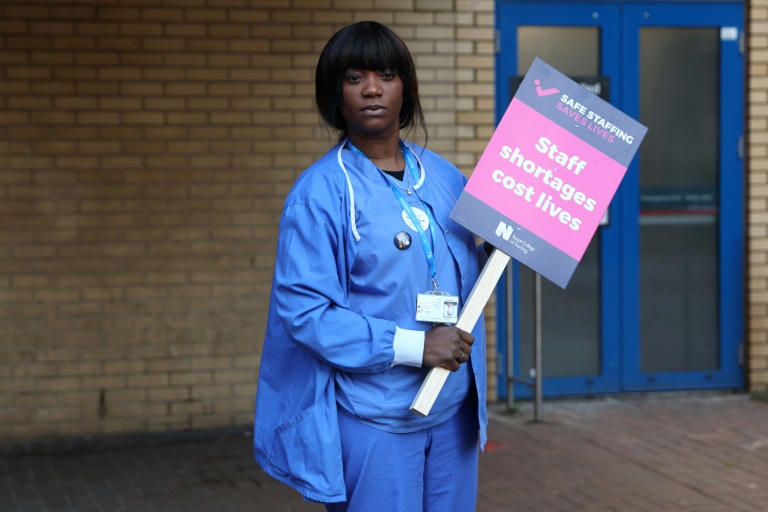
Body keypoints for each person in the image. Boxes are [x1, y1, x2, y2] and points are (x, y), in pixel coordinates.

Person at [254, 21, 489, 511]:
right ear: (334, 94)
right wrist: (415, 346)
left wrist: (510, 243)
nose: (373, 89)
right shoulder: (319, 194)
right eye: (354, 77)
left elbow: (469, 269)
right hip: (374, 415)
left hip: (451, 407)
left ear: (406, 87)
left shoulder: (444, 176)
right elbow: (308, 315)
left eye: (385, 74)